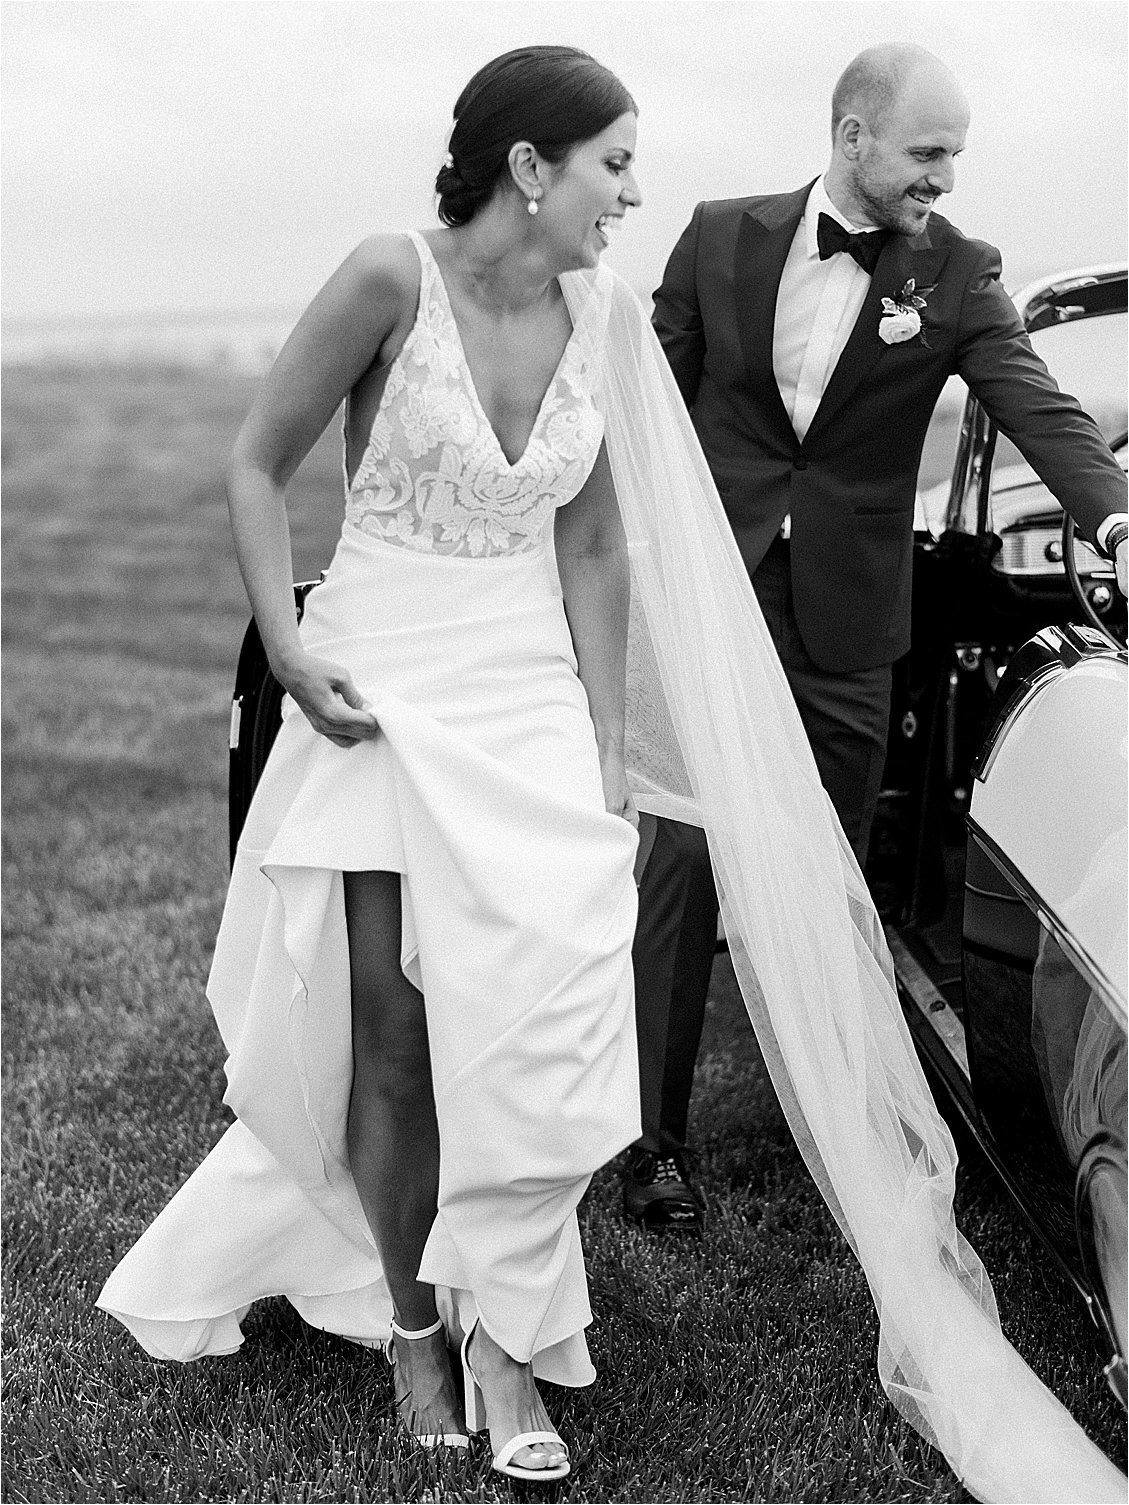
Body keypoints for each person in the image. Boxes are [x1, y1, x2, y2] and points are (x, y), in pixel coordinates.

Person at [97, 44, 1124, 1504]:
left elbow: (589, 540)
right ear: (531, 166)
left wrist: (598, 736)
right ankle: (414, 1325)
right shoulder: (389, 280)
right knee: (391, 1029)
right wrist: (291, 638)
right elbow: (259, 462)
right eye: (614, 164)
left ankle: (513, 1324)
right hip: (379, 686)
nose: (634, 191)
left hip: (529, 688)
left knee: (540, 1013)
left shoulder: (620, 312)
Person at [623, 43, 1129, 1233]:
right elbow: (644, 401)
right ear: (851, 136)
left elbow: (1033, 402)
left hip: (853, 618)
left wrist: (1110, 510)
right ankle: (652, 1139)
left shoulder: (956, 272)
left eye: (954, 154)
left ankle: (836, 1121)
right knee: (682, 865)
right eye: (926, 152)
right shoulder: (716, 235)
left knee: (826, 873)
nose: (944, 178)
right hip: (718, 594)